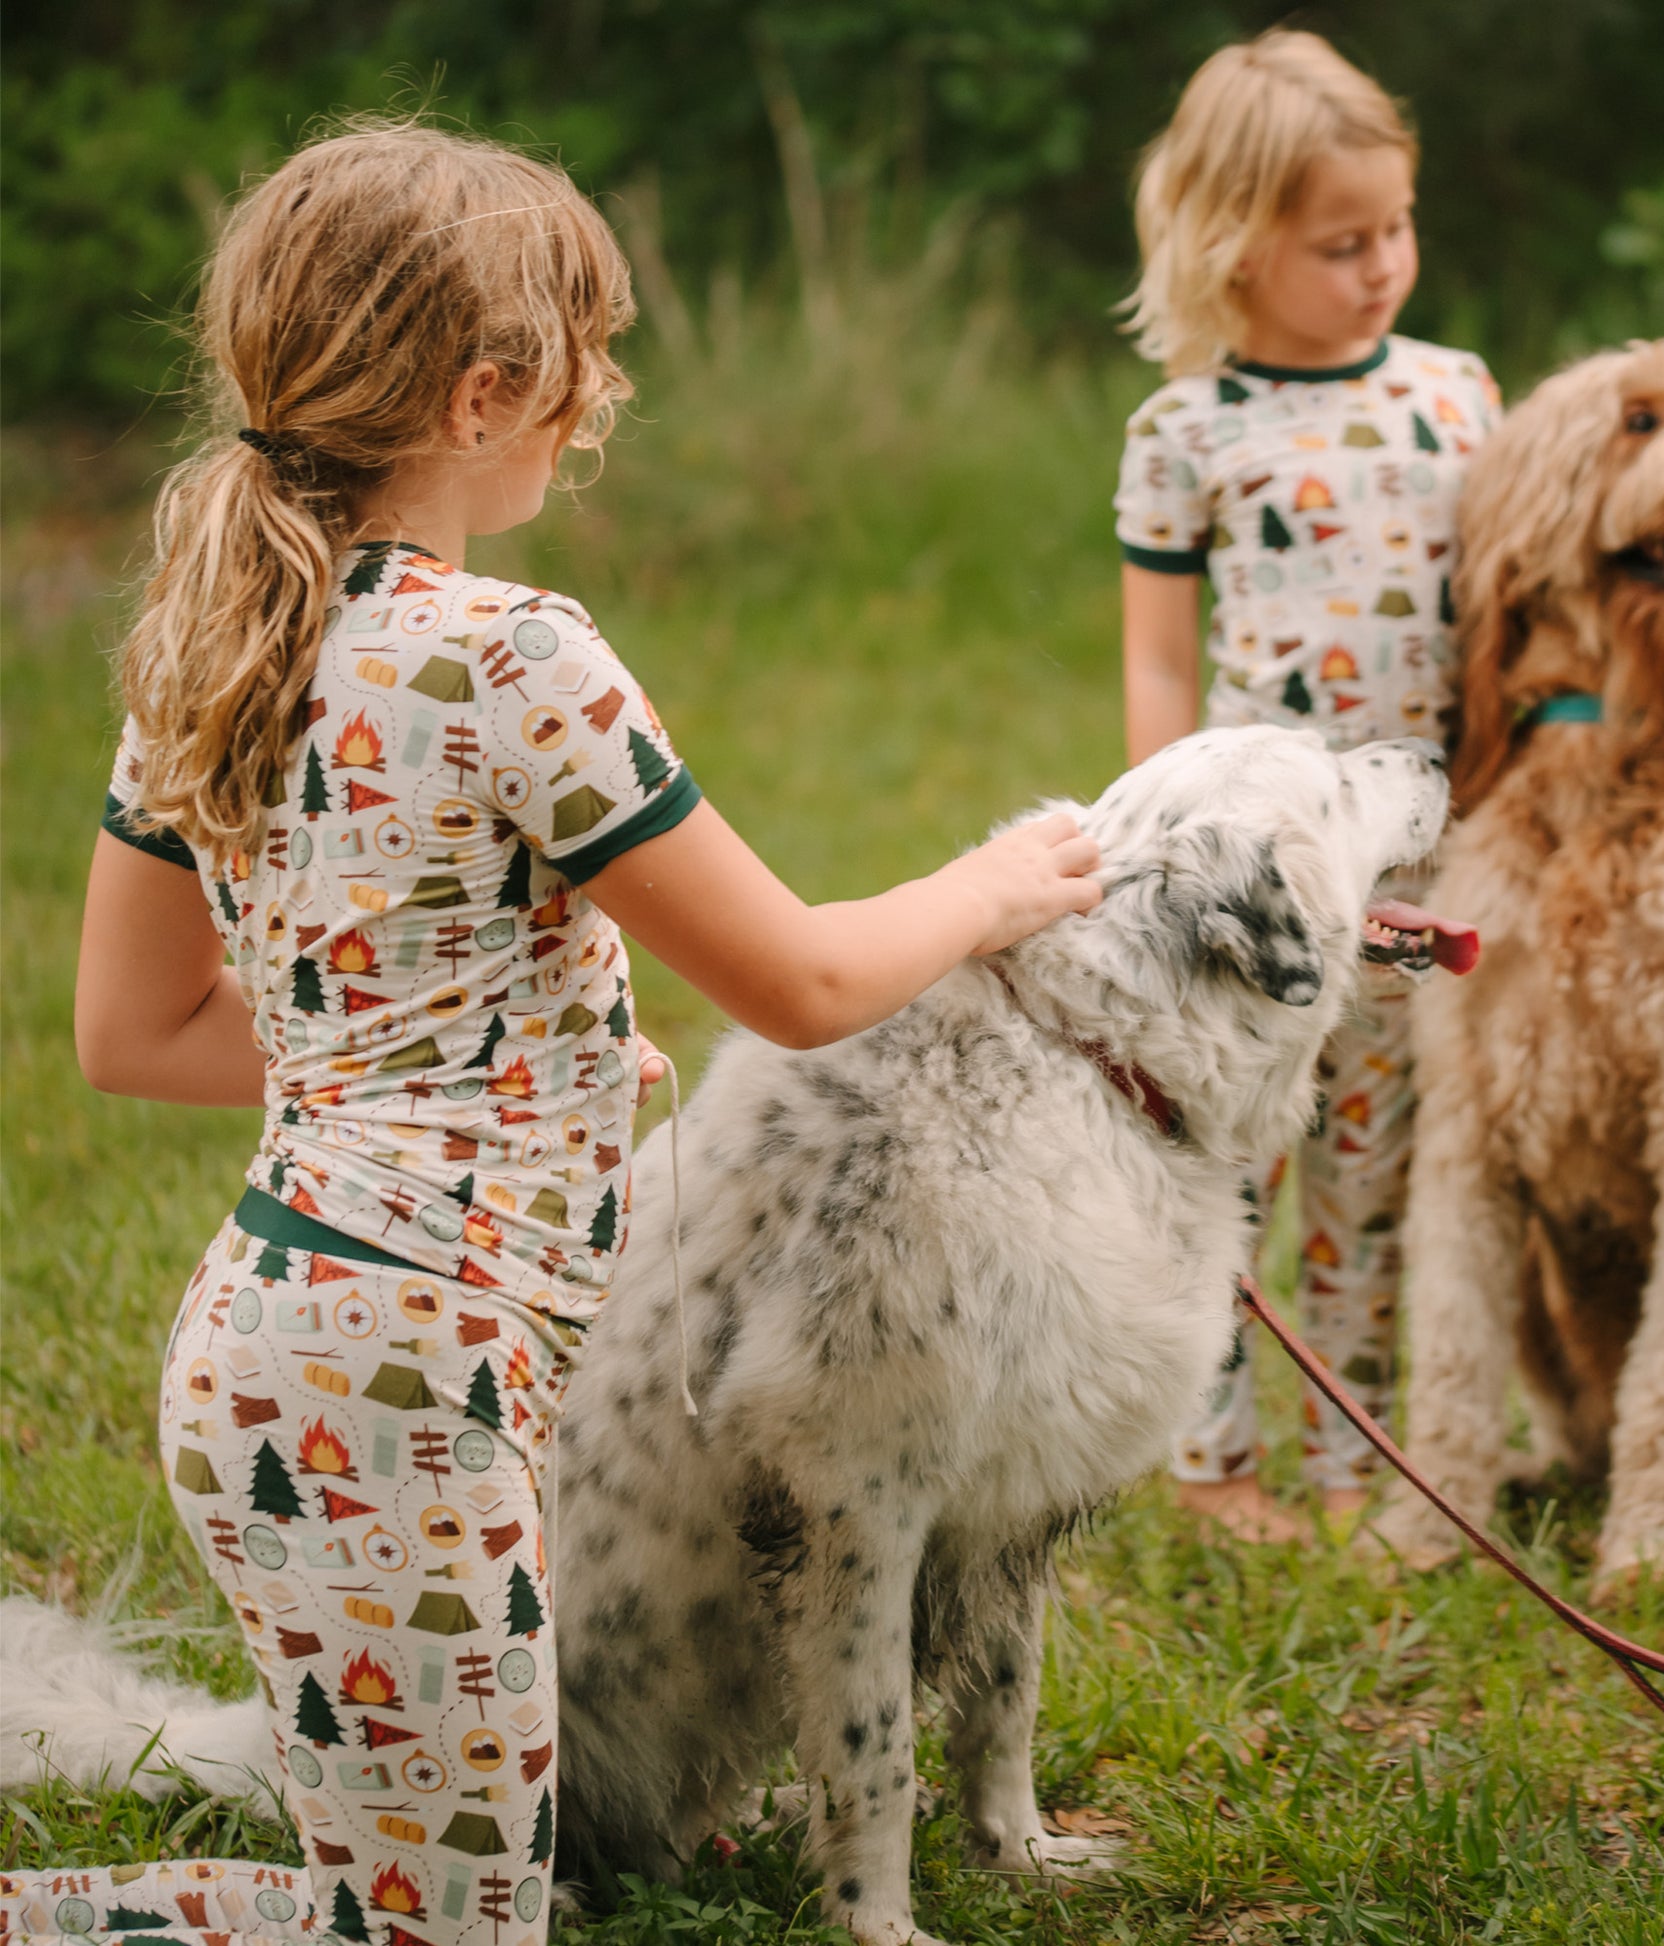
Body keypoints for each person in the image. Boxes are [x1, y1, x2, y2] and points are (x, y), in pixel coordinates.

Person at [7, 122, 1098, 1946]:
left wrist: (476, 1072)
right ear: (488, 388)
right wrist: (1001, 884)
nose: (612, 388)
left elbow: (136, 1031)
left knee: (430, 1901)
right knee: (435, 1929)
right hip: (391, 1383)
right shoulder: (514, 656)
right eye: (594, 346)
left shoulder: (207, 644)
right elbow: (807, 982)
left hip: (289, 1345)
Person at [1115, 31, 1500, 1542]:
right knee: (1232, 1155)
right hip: (1266, 866)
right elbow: (1160, 661)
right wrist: (1152, 816)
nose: (1381, 265)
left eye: (1395, 228)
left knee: (1378, 1161)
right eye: (1341, 243)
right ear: (1233, 244)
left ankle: (1358, 1459)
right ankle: (1213, 1458)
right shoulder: (1187, 430)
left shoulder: (1458, 394)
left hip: (1424, 849)